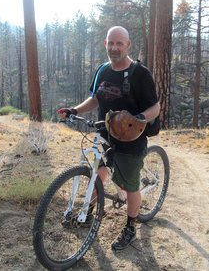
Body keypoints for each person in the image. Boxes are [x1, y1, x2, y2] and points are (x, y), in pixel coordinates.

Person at [57, 26, 160, 251]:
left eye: (119, 43)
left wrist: (138, 119)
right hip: (104, 132)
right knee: (97, 172)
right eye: (111, 43)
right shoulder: (103, 70)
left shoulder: (140, 74)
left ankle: (131, 227)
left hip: (131, 138)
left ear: (128, 45)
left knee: (131, 185)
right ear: (106, 44)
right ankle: (90, 211)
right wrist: (74, 110)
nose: (114, 48)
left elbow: (156, 107)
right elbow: (95, 99)